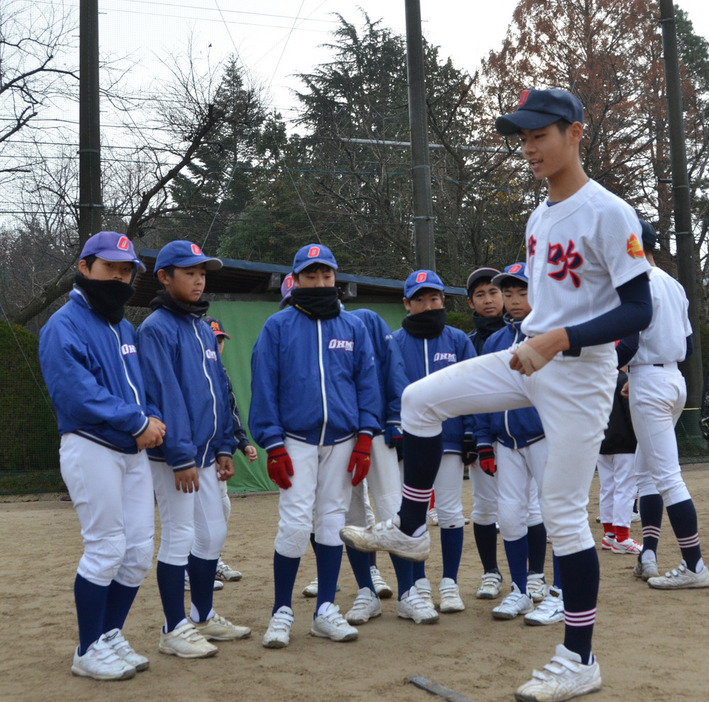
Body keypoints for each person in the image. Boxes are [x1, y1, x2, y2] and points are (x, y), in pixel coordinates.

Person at [340, 88, 654, 702]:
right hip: (527, 357)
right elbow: (549, 307)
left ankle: (579, 658)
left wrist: (559, 338)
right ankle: (408, 527)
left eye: (541, 134)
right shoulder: (538, 218)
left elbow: (637, 311)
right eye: (524, 138)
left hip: (580, 374)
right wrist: (536, 338)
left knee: (562, 514)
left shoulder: (610, 212)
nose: (530, 147)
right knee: (419, 401)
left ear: (574, 134)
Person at [39, 231, 166, 680]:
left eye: (127, 269)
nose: (120, 276)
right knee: (106, 548)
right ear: (84, 266)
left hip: (130, 451)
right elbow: (75, 392)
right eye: (110, 266)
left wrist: (151, 418)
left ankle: (110, 635)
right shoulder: (63, 324)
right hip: (90, 445)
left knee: (136, 553)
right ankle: (87, 649)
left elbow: (141, 389)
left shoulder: (122, 326)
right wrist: (137, 422)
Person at [249, 243, 380, 648]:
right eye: (311, 275)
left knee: (331, 522)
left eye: (326, 275)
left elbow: (366, 384)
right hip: (295, 439)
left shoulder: (353, 326)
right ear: (297, 279)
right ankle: (281, 612)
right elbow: (264, 386)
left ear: (335, 278)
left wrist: (364, 439)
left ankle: (325, 609)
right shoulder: (279, 325)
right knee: (293, 524)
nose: (320, 282)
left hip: (342, 440)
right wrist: (272, 442)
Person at [137, 240, 251, 660]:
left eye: (202, 271)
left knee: (214, 533)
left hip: (205, 452)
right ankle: (172, 628)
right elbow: (164, 397)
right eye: (188, 271)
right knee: (180, 536)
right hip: (175, 457)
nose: (199, 278)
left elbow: (219, 393)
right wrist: (181, 456)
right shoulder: (155, 328)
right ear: (164, 277)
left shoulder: (203, 327)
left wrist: (224, 446)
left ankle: (202, 615)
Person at [474, 262, 562, 625]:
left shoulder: (552, 334)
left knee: (556, 515)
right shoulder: (495, 340)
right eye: (507, 293)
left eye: (522, 292)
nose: (512, 299)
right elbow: (482, 392)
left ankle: (560, 592)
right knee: (509, 517)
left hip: (544, 437)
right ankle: (520, 590)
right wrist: (482, 438)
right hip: (505, 441)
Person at [626, 220, 709, 589]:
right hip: (674, 380)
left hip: (648, 380)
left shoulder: (633, 282)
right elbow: (689, 346)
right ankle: (648, 554)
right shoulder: (672, 283)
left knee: (667, 477)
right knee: (647, 472)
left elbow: (627, 344)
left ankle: (694, 566)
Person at [392, 269, 476, 617]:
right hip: (411, 442)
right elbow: (395, 388)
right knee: (414, 514)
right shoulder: (394, 341)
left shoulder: (457, 340)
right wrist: (399, 431)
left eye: (435, 298)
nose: (428, 305)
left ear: (443, 300)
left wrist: (472, 433)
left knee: (451, 511)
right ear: (407, 303)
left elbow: (474, 388)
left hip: (451, 440)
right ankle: (420, 583)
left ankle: (450, 583)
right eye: (420, 299)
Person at [341, 306, 408, 625]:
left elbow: (392, 367)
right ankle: (366, 591)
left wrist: (396, 418)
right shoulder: (300, 329)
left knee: (392, 511)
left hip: (378, 428)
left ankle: (409, 593)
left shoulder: (366, 318)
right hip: (339, 435)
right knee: (351, 516)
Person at [203, 316, 259, 582]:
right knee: (196, 511)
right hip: (197, 452)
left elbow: (231, 410)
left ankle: (212, 559)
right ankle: (192, 567)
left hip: (219, 450)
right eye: (213, 339)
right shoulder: (192, 369)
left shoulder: (220, 371)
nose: (218, 344)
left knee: (221, 507)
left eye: (221, 339)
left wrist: (243, 442)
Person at [465, 267, 507, 598]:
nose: (488, 300)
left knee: (529, 507)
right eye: (480, 294)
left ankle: (533, 575)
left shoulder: (524, 333)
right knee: (484, 506)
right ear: (471, 303)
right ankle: (490, 572)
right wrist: (473, 437)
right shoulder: (467, 344)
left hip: (520, 433)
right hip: (484, 437)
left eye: (493, 292)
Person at [597, 367, 641, 555]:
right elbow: (631, 413)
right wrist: (639, 439)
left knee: (607, 488)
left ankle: (609, 535)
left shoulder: (596, 377)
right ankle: (622, 538)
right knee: (625, 488)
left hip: (600, 441)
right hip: (624, 443)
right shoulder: (623, 378)